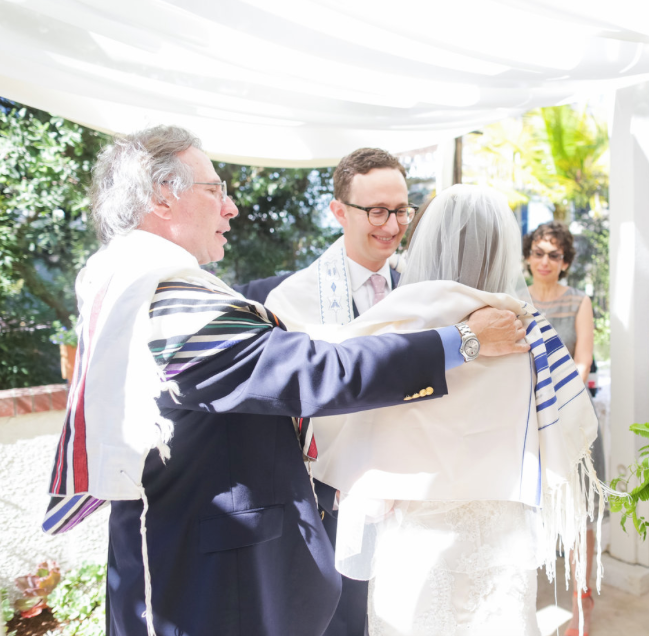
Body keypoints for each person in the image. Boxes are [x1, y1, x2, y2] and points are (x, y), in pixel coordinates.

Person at [41, 126, 527, 636]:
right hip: (208, 583)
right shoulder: (171, 306)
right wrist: (462, 341)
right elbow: (314, 372)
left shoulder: (143, 289)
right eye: (215, 191)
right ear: (163, 197)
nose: (230, 209)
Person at [295, 185, 604, 636]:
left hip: (415, 530)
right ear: (502, 249)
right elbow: (562, 423)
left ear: (429, 243)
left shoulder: (397, 321)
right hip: (501, 526)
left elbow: (343, 404)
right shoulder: (528, 329)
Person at [240, 147, 412, 636]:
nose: (392, 225)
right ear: (338, 211)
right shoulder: (290, 298)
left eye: (401, 210)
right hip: (329, 504)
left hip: (412, 492)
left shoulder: (418, 287)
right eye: (376, 211)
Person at [522, 221, 603, 636]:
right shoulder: (514, 301)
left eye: (554, 254)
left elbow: (582, 363)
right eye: (538, 252)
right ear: (527, 257)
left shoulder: (578, 302)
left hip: (568, 417)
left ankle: (579, 608)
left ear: (565, 261)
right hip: (524, 424)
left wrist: (553, 407)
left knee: (578, 517)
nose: (545, 261)